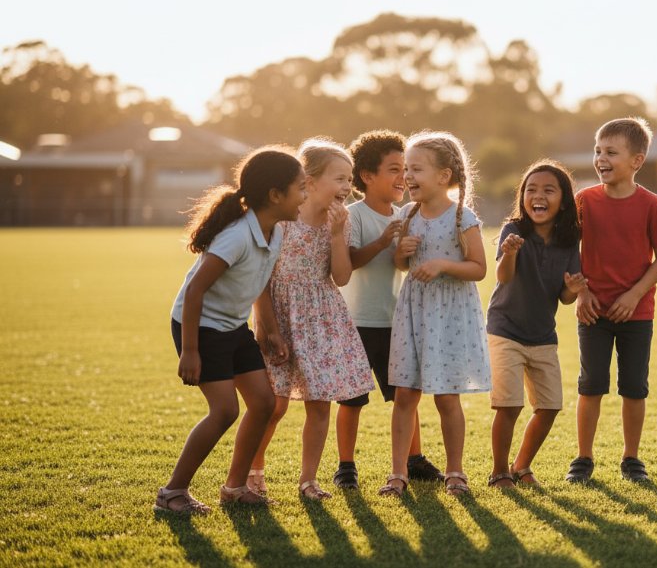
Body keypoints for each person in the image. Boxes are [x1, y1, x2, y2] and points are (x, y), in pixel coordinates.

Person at [155, 147, 305, 514]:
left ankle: (235, 487)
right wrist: (190, 351)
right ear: (275, 195)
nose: (305, 196)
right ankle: (172, 493)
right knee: (224, 411)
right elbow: (195, 291)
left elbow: (261, 283)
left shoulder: (276, 233)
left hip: (232, 326)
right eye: (301, 188)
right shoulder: (236, 236)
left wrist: (269, 330)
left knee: (265, 403)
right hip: (201, 327)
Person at [247, 138, 375, 501]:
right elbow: (262, 278)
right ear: (311, 180)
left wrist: (337, 236)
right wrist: (266, 325)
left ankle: (308, 480)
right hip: (280, 313)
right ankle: (253, 471)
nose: (347, 187)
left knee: (320, 403)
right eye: (339, 178)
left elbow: (342, 277)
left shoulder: (341, 221)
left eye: (349, 179)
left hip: (321, 318)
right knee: (274, 404)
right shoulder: (286, 220)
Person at [378, 131, 490, 497]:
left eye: (416, 169)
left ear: (443, 176)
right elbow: (400, 264)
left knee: (446, 396)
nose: (407, 176)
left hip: (449, 317)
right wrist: (401, 252)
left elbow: (478, 268)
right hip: (414, 311)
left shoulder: (463, 216)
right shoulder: (407, 215)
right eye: (406, 169)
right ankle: (398, 474)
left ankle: (455, 471)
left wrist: (442, 264)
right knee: (405, 393)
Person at [567, 118, 657, 484]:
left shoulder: (652, 204)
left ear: (637, 161)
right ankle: (583, 459)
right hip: (593, 312)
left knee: (634, 387)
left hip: (637, 312)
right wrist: (583, 293)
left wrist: (633, 295)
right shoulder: (583, 201)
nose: (601, 158)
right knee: (591, 384)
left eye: (611, 152)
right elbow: (569, 252)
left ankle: (631, 458)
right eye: (598, 151)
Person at [334, 130, 443, 490]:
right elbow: (349, 261)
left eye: (407, 169)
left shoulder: (407, 214)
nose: (403, 178)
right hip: (358, 322)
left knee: (406, 394)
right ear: (367, 176)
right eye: (395, 169)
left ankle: (414, 459)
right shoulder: (354, 216)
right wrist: (383, 241)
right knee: (352, 399)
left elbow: (403, 265)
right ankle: (346, 465)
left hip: (396, 320)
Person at [485, 160, 586, 489]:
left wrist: (572, 289)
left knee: (549, 406)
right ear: (523, 197)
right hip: (505, 329)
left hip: (543, 334)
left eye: (548, 190)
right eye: (531, 189)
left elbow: (565, 297)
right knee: (509, 404)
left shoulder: (569, 240)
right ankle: (499, 471)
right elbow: (503, 276)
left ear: (563, 199)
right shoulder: (513, 230)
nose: (538, 196)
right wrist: (510, 253)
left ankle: (521, 466)